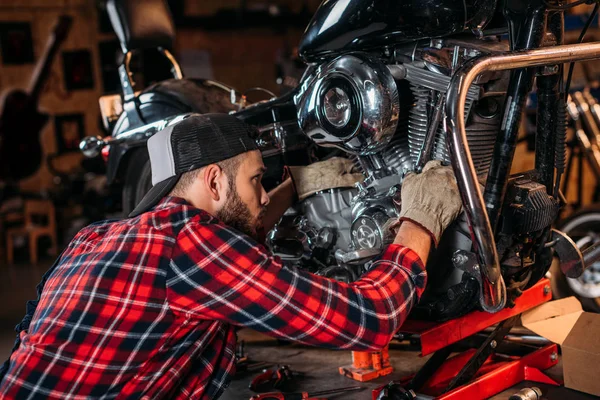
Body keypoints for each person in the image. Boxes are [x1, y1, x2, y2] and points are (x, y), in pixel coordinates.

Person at [0, 114, 462, 399]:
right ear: (215, 181)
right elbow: (369, 317)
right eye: (257, 180)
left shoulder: (95, 237)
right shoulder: (193, 245)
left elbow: (27, 344)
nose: (262, 195)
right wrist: (420, 220)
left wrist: (297, 187)